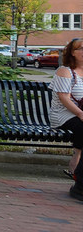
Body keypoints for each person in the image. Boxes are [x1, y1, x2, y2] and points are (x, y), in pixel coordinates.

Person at [50, 37, 83, 200]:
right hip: (63, 114)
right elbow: (64, 98)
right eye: (81, 48)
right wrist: (80, 114)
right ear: (72, 52)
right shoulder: (65, 71)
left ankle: (77, 162)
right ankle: (78, 178)